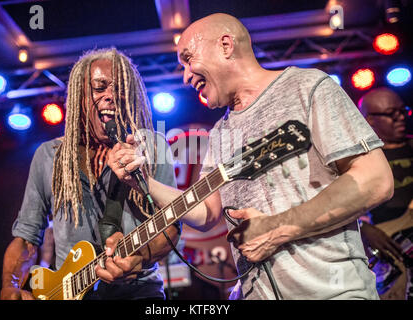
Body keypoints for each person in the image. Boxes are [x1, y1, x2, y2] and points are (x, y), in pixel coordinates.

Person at [109, 13, 394, 300]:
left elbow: (375, 180)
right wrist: (145, 182)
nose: (184, 76)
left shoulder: (306, 87)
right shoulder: (221, 131)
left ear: (225, 45)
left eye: (188, 59)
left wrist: (276, 228)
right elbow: (207, 213)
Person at [0, 48, 180, 300]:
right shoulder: (48, 156)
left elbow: (170, 227)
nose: (111, 97)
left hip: (139, 292)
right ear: (79, 97)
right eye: (100, 88)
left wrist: (141, 256)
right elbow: (27, 239)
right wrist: (10, 285)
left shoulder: (151, 147)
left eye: (119, 89)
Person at [358, 87, 413, 299]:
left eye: (403, 111)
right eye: (391, 113)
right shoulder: (360, 159)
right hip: (390, 250)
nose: (400, 118)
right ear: (370, 119)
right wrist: (363, 229)